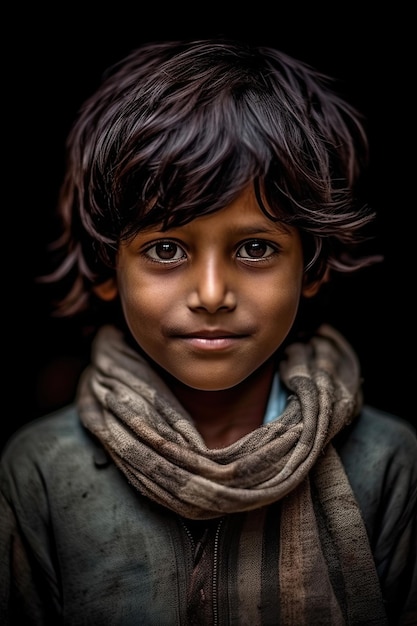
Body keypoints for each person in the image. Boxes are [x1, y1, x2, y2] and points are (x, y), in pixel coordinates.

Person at [0, 38, 416, 626]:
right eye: (166, 249)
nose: (213, 294)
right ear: (106, 269)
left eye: (254, 248)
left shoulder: (387, 463)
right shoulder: (42, 471)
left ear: (312, 265)